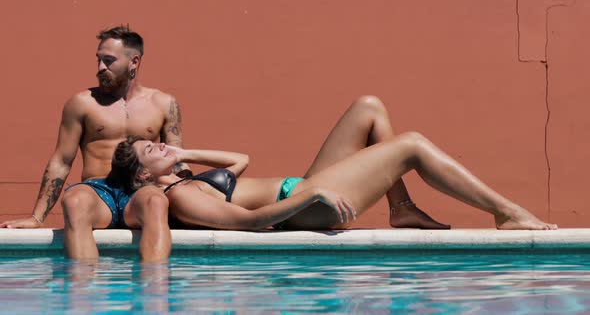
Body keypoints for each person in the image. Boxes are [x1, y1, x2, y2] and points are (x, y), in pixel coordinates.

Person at [109, 96, 557, 231]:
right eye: (152, 150)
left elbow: (240, 160)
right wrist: (311, 195)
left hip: (304, 187)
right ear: (144, 176)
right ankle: (507, 212)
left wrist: (182, 153)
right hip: (307, 205)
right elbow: (249, 223)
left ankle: (401, 209)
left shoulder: (184, 173)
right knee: (413, 146)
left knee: (370, 107)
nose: (162, 145)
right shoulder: (182, 198)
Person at [0, 25, 191, 262]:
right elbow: (62, 160)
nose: (101, 68)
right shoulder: (82, 103)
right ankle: (84, 292)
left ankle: (154, 291)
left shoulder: (164, 103)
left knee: (156, 200)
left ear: (134, 62)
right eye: (99, 60)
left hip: (140, 191)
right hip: (98, 192)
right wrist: (37, 217)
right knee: (75, 200)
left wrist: (194, 198)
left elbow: (176, 160)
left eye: (109, 61)